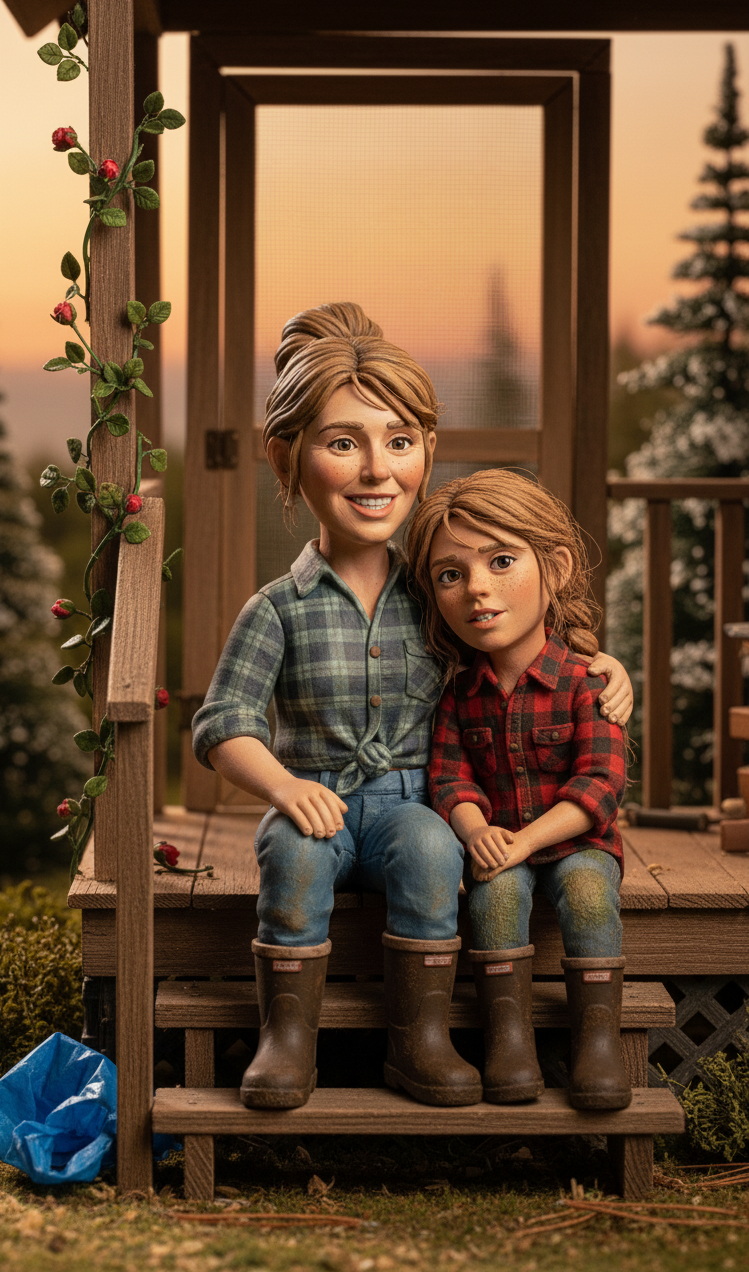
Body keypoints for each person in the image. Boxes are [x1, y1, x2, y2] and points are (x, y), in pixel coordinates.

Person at [192, 304, 633, 1112]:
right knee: (291, 860)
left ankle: (418, 1040)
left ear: (427, 451)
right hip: (316, 794)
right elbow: (224, 723)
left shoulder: (438, 594)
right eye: (341, 443)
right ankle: (287, 1040)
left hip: (415, 803)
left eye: (398, 442)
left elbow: (519, 644)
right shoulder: (277, 608)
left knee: (434, 857)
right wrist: (285, 788)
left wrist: (601, 664)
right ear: (285, 455)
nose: (374, 470)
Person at [404, 469, 631, 1111]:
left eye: (501, 561)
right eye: (451, 575)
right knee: (494, 898)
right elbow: (448, 776)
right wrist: (476, 832)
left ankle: (598, 1044)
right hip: (500, 848)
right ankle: (509, 1042)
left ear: (554, 568)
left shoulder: (587, 683)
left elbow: (600, 786)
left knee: (589, 894)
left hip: (574, 845)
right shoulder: (458, 694)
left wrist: (524, 839)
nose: (477, 588)